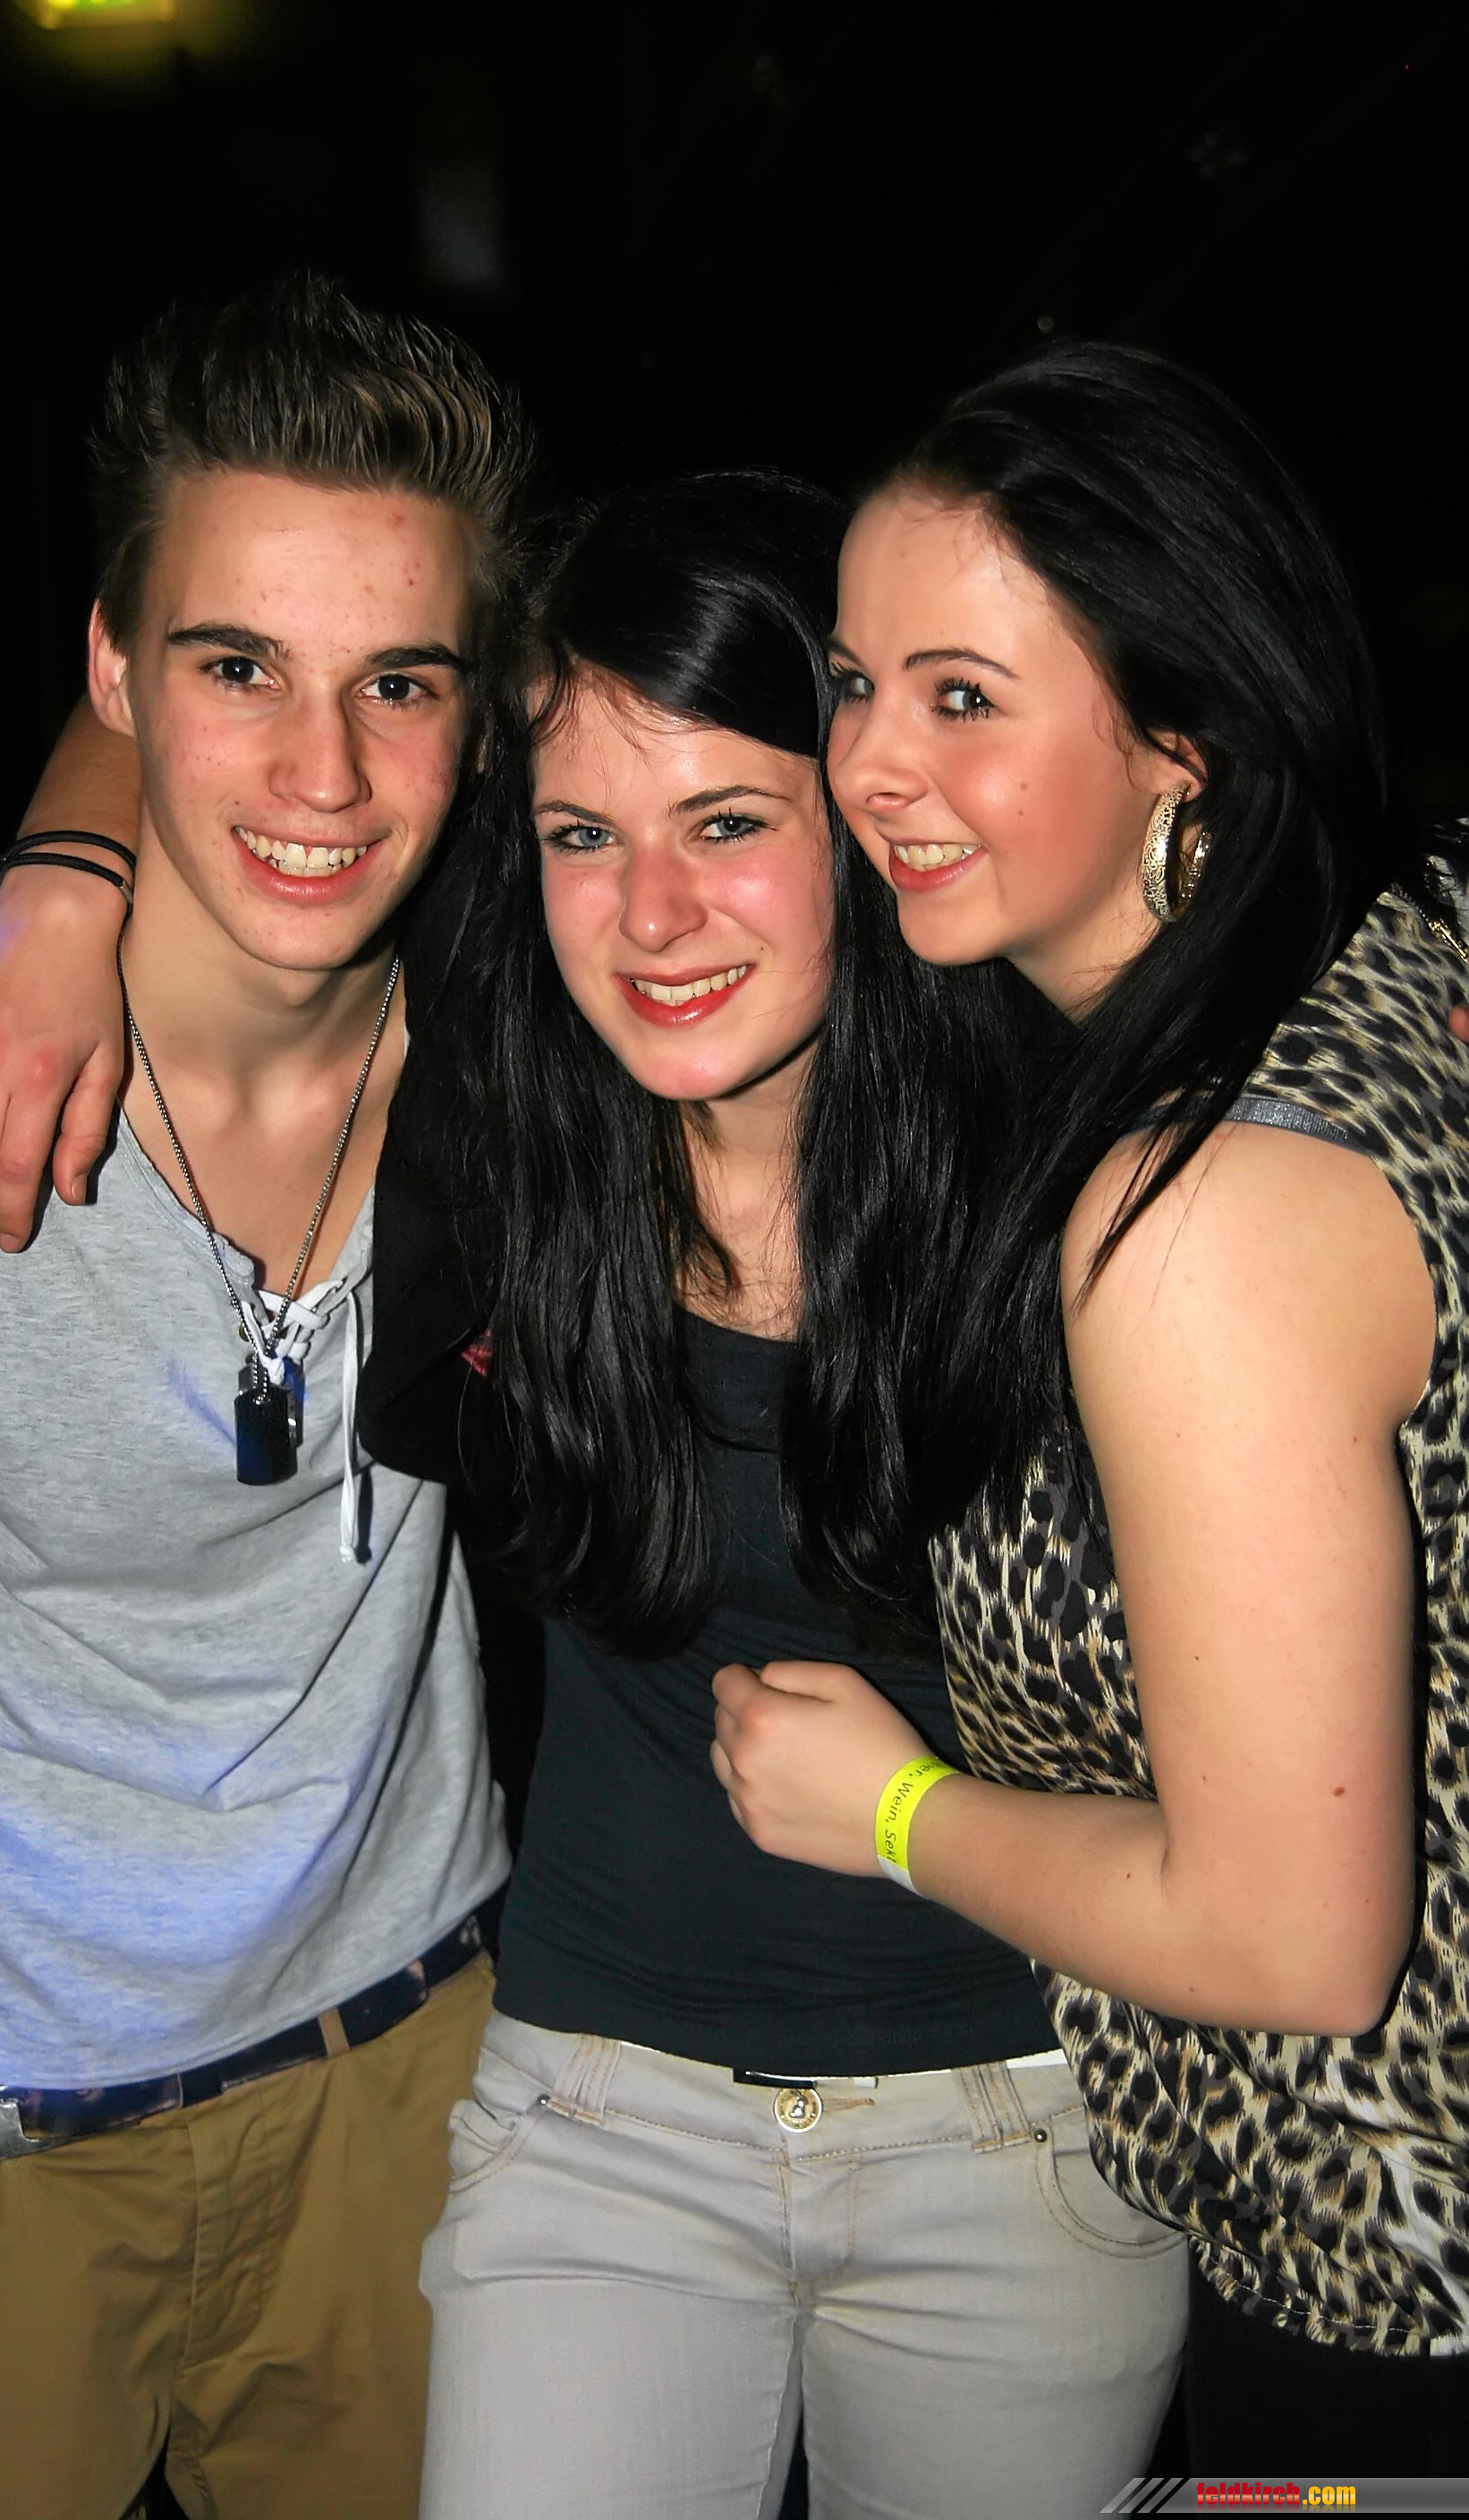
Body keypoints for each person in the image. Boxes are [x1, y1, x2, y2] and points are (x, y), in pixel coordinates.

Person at [0, 472, 1191, 2520]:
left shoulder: (1089, 1190)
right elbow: (249, 713)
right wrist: (58, 886)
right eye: (583, 834)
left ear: (870, 817)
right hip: (597, 2110)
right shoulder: (490, 1126)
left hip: (1028, 2127)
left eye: (727, 823)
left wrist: (909, 1812)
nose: (649, 917)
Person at [0, 273, 529, 2519]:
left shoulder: (541, 1042)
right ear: (113, 676)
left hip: (412, 2078)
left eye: (397, 681)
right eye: (236, 670)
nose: (325, 775)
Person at [710, 345, 1469, 2474]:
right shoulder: (1405, 938)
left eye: (964, 697)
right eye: (854, 684)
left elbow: (1288, 1939)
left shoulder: (1199, 1207)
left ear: (1177, 736)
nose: (869, 765)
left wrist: (890, 1809)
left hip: (1391, 2269)